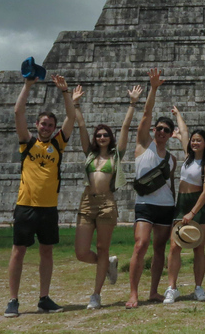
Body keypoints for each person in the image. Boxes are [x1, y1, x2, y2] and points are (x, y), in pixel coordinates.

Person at [4, 74, 78, 318]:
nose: (46, 128)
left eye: (50, 125)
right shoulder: (27, 143)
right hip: (25, 205)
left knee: (47, 252)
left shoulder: (58, 144)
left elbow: (71, 117)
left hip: (48, 207)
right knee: (19, 251)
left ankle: (44, 298)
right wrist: (27, 85)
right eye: (43, 124)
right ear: (37, 125)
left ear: (54, 129)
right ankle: (13, 300)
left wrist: (65, 92)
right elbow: (18, 113)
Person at [73, 84, 144, 310]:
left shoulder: (116, 155)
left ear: (109, 138)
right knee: (81, 252)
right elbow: (81, 126)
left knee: (103, 247)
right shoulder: (90, 153)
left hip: (106, 203)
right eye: (99, 135)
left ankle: (96, 294)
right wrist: (76, 104)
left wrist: (132, 103)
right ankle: (109, 264)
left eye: (105, 135)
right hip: (87, 202)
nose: (102, 137)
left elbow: (125, 127)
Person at [126, 68, 177, 309]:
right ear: (153, 130)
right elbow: (146, 113)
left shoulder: (173, 158)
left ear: (171, 134)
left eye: (166, 130)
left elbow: (172, 184)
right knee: (141, 244)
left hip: (166, 205)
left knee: (159, 249)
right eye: (159, 128)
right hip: (145, 204)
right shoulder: (143, 145)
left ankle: (154, 291)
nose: (161, 132)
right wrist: (153, 88)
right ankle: (133, 293)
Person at [163, 106, 205, 304]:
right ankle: (172, 287)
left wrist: (193, 212)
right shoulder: (187, 157)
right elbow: (184, 131)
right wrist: (177, 115)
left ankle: (199, 288)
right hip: (181, 203)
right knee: (175, 246)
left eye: (198, 140)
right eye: (193, 140)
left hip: (198, 205)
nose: (194, 142)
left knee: (198, 247)